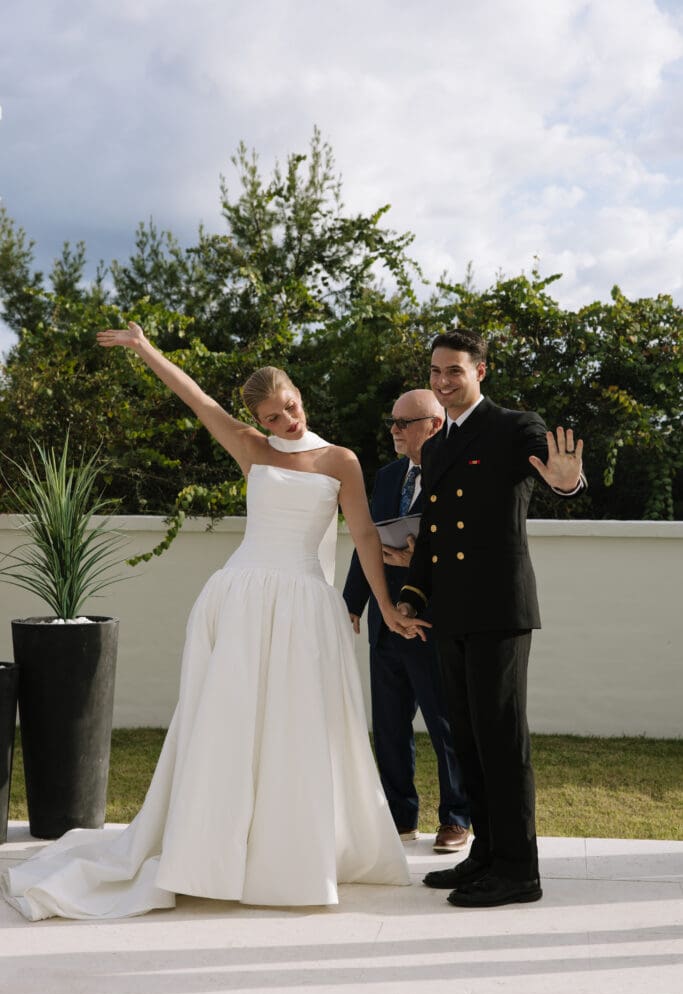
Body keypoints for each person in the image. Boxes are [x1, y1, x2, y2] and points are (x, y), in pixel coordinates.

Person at [1, 321, 428, 921]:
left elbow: (362, 537)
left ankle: (291, 857)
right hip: (243, 596)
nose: (287, 423)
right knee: (229, 724)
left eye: (290, 408)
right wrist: (146, 349)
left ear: (298, 393)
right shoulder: (252, 448)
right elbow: (195, 397)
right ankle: (212, 854)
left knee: (300, 727)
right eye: (274, 418)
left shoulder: (342, 460)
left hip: (306, 602)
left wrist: (384, 606)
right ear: (258, 419)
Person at [397, 328, 586, 909]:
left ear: (482, 371)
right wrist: (413, 595)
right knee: (467, 739)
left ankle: (518, 869)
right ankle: (486, 853)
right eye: (435, 371)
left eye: (454, 370)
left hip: (498, 608)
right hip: (452, 612)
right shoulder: (437, 443)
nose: (442, 381)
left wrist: (566, 480)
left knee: (502, 740)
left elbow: (557, 473)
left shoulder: (512, 426)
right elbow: (432, 530)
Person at [343, 389, 470, 852]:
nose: (394, 430)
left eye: (404, 422)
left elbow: (467, 549)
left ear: (434, 425)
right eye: (392, 422)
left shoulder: (455, 476)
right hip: (384, 620)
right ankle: (399, 818)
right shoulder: (387, 476)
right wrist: (352, 603)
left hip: (433, 621)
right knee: (390, 726)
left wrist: (422, 562)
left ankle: (457, 816)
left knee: (445, 722)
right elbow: (366, 542)